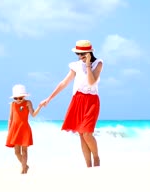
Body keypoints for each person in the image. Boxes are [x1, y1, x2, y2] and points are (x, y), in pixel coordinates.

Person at [39, 40, 103, 168]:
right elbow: (63, 83)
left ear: (89, 53)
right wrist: (49, 98)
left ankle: (96, 159)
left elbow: (91, 82)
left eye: (82, 54)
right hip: (77, 100)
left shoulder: (98, 64)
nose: (80, 57)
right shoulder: (76, 65)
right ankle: (88, 167)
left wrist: (88, 65)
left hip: (91, 101)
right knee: (81, 134)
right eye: (78, 54)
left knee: (87, 133)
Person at [6, 84, 42, 174]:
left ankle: (23, 170)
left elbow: (33, 114)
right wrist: (9, 131)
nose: (18, 100)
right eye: (16, 98)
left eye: (20, 98)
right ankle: (25, 165)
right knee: (16, 152)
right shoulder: (12, 104)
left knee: (24, 151)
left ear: (24, 96)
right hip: (15, 129)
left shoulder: (28, 103)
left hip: (24, 129)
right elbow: (10, 118)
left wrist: (40, 107)